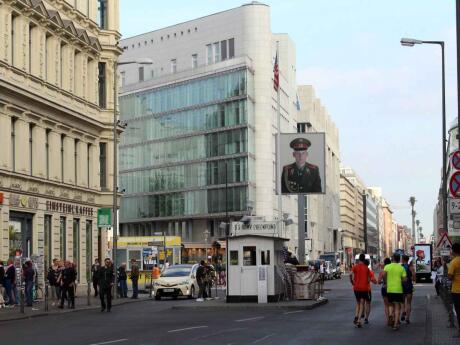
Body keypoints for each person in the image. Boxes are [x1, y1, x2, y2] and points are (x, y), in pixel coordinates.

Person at [383, 253, 407, 330]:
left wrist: (386, 282)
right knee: (397, 307)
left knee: (390, 304)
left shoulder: (387, 266)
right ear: (399, 259)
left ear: (392, 258)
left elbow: (383, 275)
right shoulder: (401, 268)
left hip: (389, 289)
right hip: (398, 290)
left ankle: (390, 315)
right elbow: (404, 280)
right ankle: (395, 324)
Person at [350, 253, 370, 328]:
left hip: (356, 287)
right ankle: (358, 320)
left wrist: (352, 282)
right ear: (364, 259)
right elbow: (368, 280)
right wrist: (366, 282)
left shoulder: (355, 267)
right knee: (362, 303)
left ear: (359, 259)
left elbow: (350, 274)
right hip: (364, 288)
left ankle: (356, 316)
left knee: (358, 303)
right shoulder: (366, 268)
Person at [448, 243, 460, 338]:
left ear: (453, 251)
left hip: (457, 291)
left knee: (459, 312)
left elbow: (450, 276)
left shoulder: (454, 262)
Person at [401, 255, 416, 324]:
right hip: (409, 285)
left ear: (403, 259)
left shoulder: (400, 267)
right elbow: (414, 277)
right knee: (409, 303)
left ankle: (403, 311)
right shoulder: (410, 267)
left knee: (402, 302)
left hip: (401, 286)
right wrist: (413, 279)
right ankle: (407, 318)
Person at [378, 258, 392, 324]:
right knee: (392, 304)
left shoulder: (382, 271)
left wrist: (382, 282)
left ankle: (388, 320)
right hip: (392, 288)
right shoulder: (393, 270)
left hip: (384, 288)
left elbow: (378, 281)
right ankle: (392, 316)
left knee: (386, 305)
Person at [363, 259, 377, 324]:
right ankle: (366, 318)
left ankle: (361, 313)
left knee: (360, 303)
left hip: (358, 289)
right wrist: (371, 280)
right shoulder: (370, 272)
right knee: (368, 303)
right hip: (367, 289)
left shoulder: (358, 270)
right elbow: (375, 281)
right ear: (368, 264)